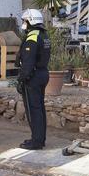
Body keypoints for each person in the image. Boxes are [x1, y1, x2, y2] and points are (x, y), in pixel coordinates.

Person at [16, 9, 51, 150]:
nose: (23, 24)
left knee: (33, 110)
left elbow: (28, 62)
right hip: (42, 73)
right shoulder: (44, 35)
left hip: (33, 76)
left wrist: (21, 80)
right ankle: (40, 138)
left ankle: (36, 141)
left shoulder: (32, 37)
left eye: (25, 21)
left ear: (31, 21)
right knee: (39, 108)